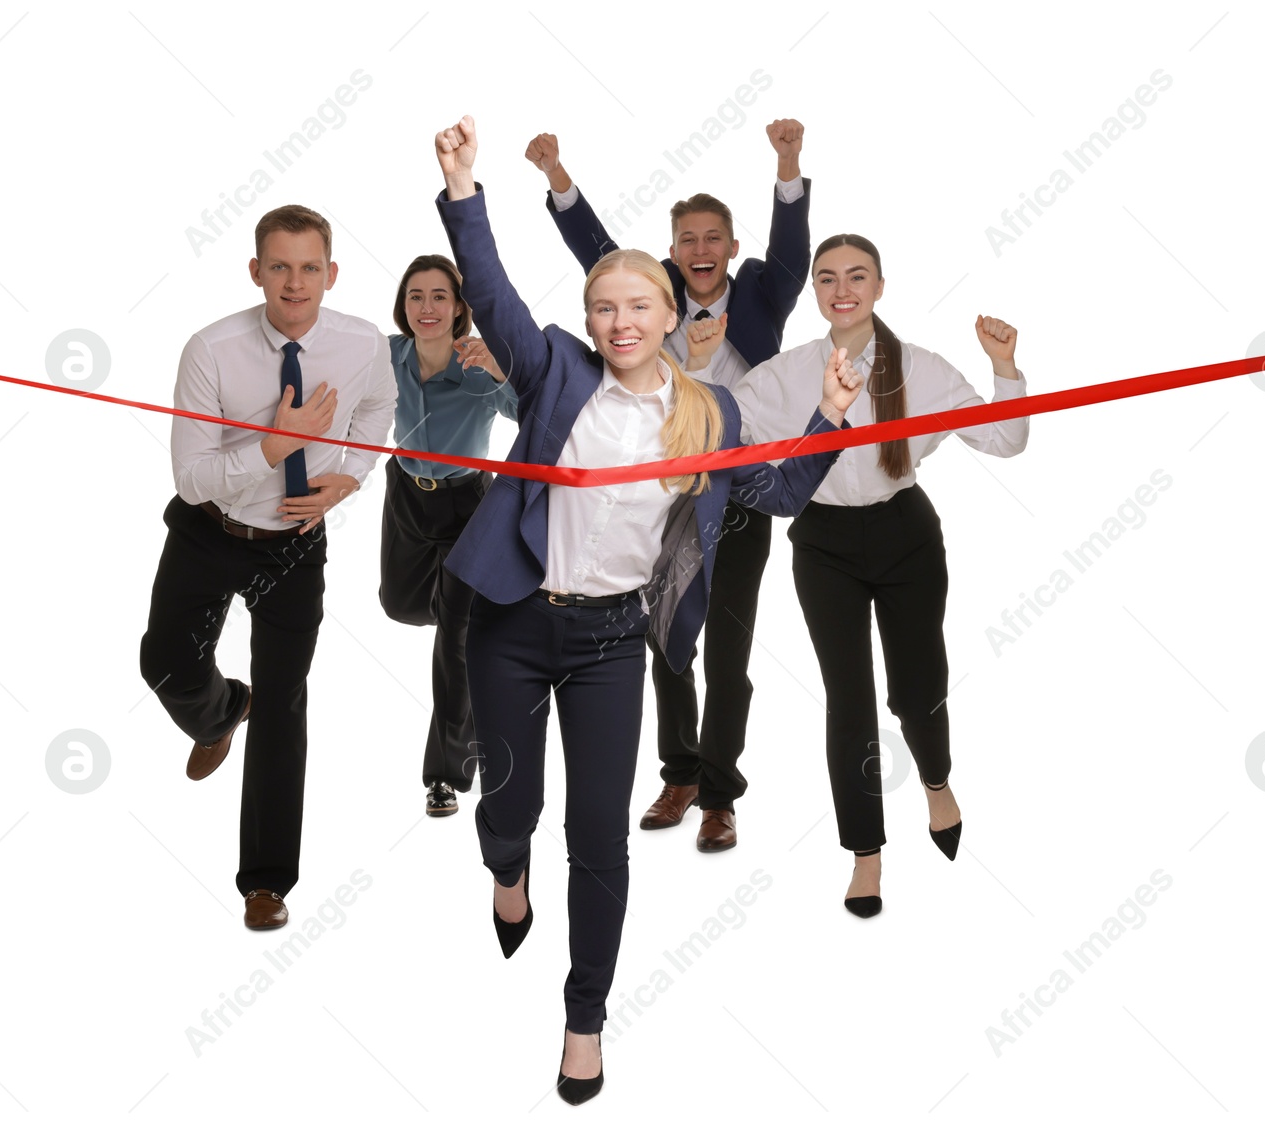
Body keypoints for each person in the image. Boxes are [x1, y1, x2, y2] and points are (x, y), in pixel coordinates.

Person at [432, 115, 859, 1103]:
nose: (619, 319)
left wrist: (829, 419)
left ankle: (584, 1018)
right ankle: (505, 869)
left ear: (670, 315)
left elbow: (782, 494)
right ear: (588, 322)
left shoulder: (706, 418)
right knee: (511, 806)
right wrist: (464, 190)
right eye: (601, 305)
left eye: (637, 304)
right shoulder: (552, 373)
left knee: (597, 835)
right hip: (511, 621)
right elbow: (491, 295)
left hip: (610, 640)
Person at [721, 233, 1030, 918]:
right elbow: (722, 428)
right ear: (815, 292)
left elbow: (1006, 440)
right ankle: (866, 853)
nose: (841, 289)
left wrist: (1004, 367)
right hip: (824, 542)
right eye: (827, 277)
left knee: (918, 688)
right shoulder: (785, 374)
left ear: (880, 287)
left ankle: (938, 781)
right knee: (849, 700)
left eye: (857, 276)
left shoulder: (922, 369)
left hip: (905, 533)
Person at [523, 120, 810, 852]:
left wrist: (786, 164)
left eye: (714, 237)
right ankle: (679, 772)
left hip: (741, 496)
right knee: (665, 637)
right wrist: (559, 175)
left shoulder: (761, 296)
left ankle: (719, 794)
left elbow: (793, 253)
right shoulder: (653, 301)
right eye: (689, 238)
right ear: (673, 248)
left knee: (728, 655)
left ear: (731, 248)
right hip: (661, 497)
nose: (702, 250)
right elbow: (598, 254)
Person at [138, 204, 396, 930]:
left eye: (309, 267)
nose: (294, 282)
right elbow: (191, 478)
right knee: (163, 660)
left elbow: (381, 406)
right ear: (256, 272)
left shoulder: (362, 342)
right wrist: (275, 447)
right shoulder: (211, 350)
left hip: (293, 540)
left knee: (286, 700)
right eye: (278, 266)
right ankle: (221, 711)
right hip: (210, 530)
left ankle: (267, 882)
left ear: (331, 274)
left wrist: (349, 473)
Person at [377, 253, 518, 817]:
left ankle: (446, 775)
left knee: (455, 641)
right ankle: (476, 617)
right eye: (416, 296)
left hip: (466, 504)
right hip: (406, 495)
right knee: (400, 605)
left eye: (439, 297)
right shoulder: (387, 355)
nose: (427, 307)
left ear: (459, 308)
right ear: (403, 306)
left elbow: (527, 412)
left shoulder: (478, 366)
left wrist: (504, 370)